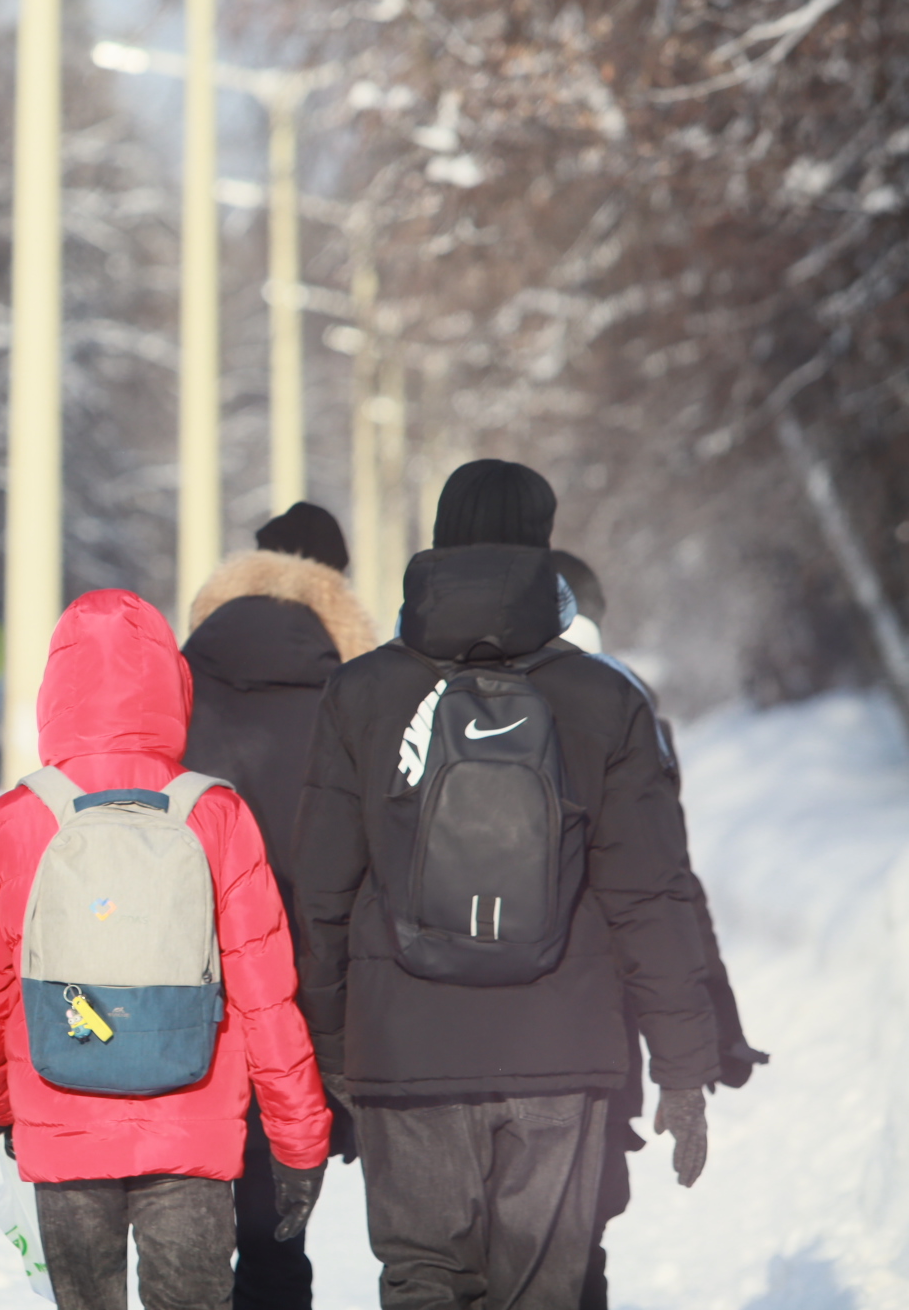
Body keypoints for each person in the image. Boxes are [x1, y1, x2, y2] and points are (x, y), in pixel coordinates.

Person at [292, 461, 722, 1309]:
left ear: (440, 539)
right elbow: (649, 896)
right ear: (544, 544)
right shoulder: (606, 698)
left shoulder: (362, 692)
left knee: (421, 1282)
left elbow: (321, 892)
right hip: (559, 1051)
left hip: (407, 1046)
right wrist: (681, 1065)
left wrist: (336, 1046)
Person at [0, 588, 331, 1310]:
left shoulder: (11, 823)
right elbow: (266, 995)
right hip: (195, 1132)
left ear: (54, 689)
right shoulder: (217, 814)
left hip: (62, 1123)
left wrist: (0, 1111)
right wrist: (298, 1141)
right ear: (172, 687)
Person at [549, 550, 766, 1310]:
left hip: (437, 1031)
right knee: (575, 1250)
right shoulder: (625, 703)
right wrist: (701, 1040)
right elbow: (662, 884)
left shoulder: (424, 691)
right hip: (590, 1031)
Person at [183, 503, 375, 1310]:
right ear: (337, 583)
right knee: (274, 1243)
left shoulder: (176, 680)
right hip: (301, 1005)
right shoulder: (360, 698)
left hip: (172, 995)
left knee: (184, 1243)